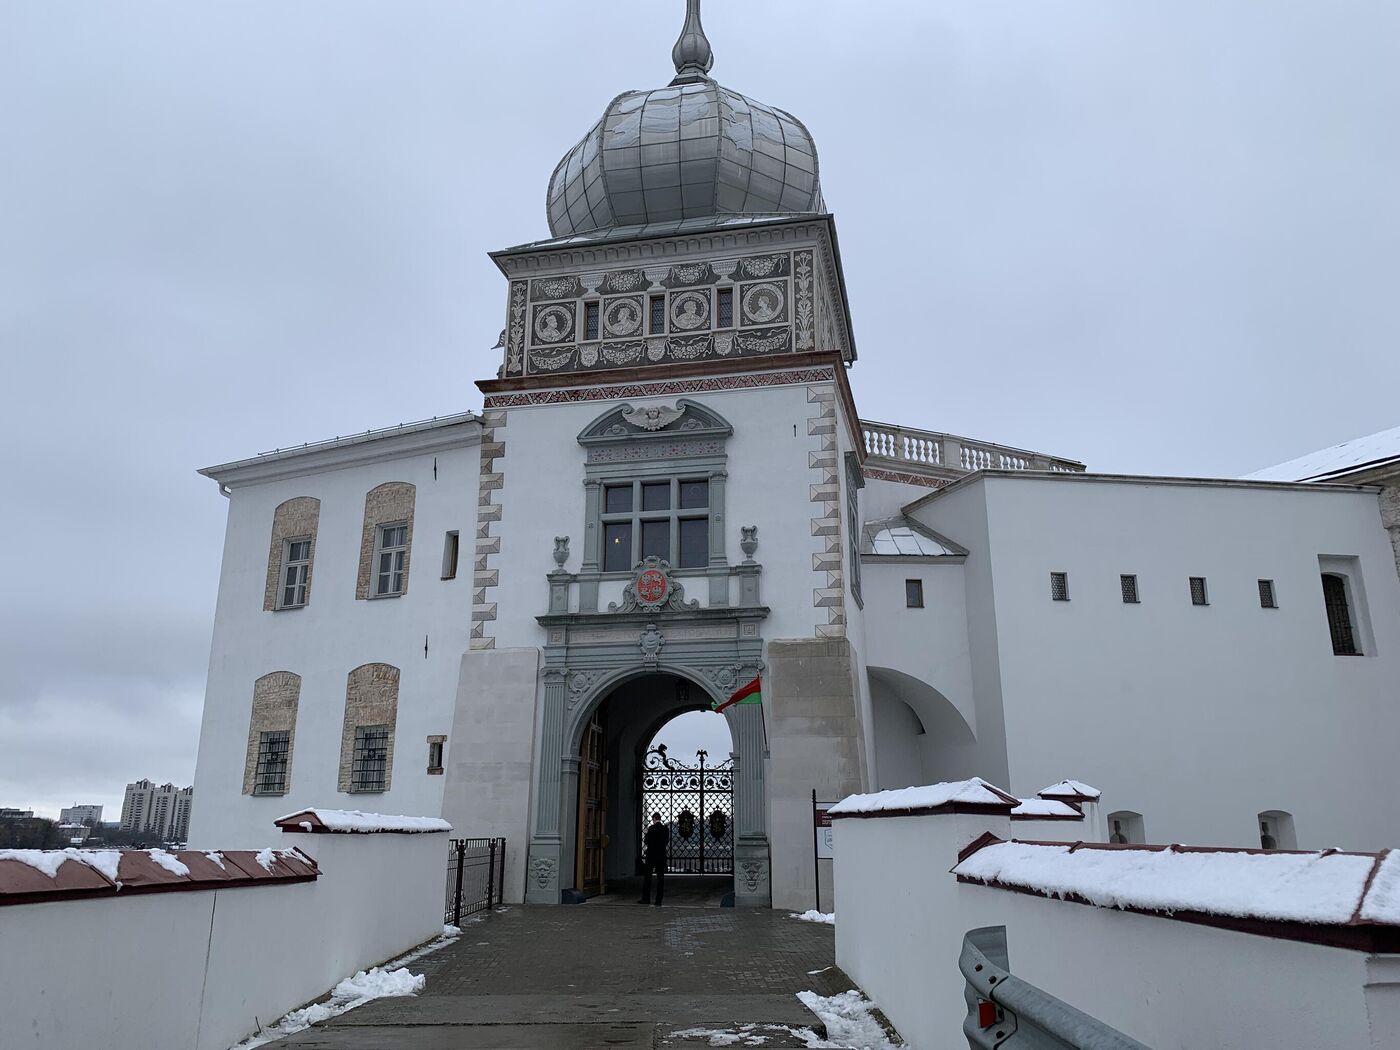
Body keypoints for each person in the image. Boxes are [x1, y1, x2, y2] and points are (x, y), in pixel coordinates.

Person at [640, 812, 669, 906]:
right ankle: (658, 901)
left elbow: (646, 841)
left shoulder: (651, 828)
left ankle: (646, 899)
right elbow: (666, 841)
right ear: (660, 818)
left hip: (651, 856)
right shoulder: (665, 829)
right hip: (661, 856)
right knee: (660, 879)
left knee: (648, 878)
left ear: (654, 819)